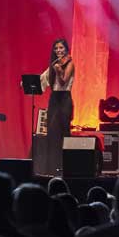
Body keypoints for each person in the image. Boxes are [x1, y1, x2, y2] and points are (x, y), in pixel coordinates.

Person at [40, 38, 75, 176]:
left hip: (65, 98)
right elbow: (43, 78)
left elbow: (63, 81)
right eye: (56, 48)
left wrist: (60, 71)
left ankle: (65, 166)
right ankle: (52, 167)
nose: (59, 50)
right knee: (52, 132)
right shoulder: (54, 64)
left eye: (61, 48)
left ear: (66, 49)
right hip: (54, 99)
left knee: (64, 132)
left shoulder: (70, 64)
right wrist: (26, 83)